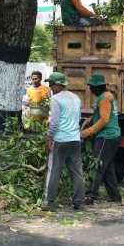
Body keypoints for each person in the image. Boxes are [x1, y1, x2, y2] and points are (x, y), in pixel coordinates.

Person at [42, 72, 85, 211]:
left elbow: (54, 123)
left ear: (57, 85)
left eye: (51, 84)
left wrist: (49, 137)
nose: (50, 87)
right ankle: (78, 201)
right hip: (75, 139)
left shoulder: (56, 99)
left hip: (60, 140)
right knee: (77, 172)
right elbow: (78, 118)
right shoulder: (76, 98)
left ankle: (49, 202)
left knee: (54, 170)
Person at [81, 74, 122, 205]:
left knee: (96, 165)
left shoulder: (104, 98)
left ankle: (90, 196)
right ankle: (115, 197)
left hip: (106, 136)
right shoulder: (107, 96)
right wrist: (89, 120)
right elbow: (100, 115)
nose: (90, 90)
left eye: (92, 87)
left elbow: (104, 119)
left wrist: (86, 132)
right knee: (107, 167)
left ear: (98, 87)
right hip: (111, 136)